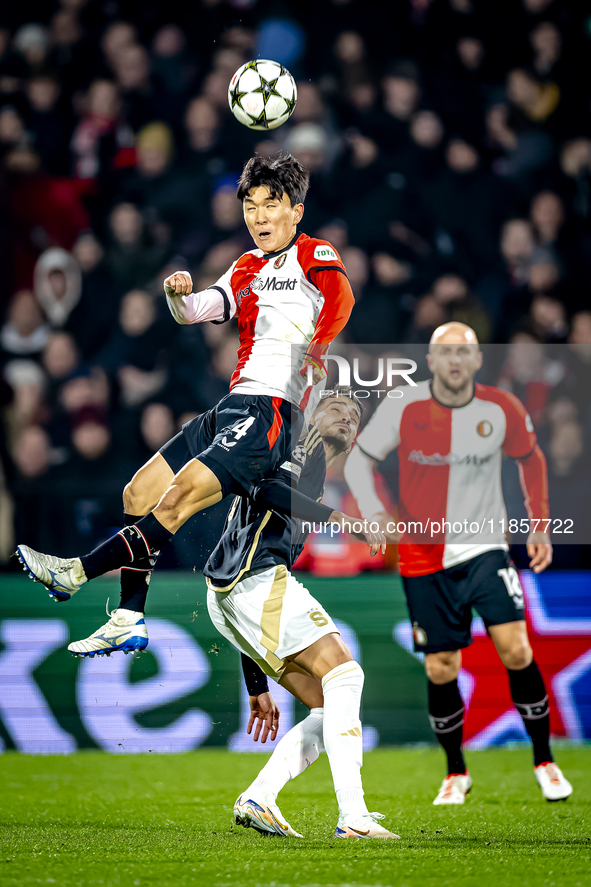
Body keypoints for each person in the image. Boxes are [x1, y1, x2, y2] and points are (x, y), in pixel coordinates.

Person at [16, 153, 356, 647]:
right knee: (138, 492)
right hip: (231, 407)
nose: (259, 216)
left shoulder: (313, 254)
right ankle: (129, 618)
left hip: (271, 412)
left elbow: (341, 300)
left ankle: (77, 572)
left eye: (271, 204)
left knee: (174, 503)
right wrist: (178, 298)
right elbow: (198, 309)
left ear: (296, 211)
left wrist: (317, 351)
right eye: (251, 206)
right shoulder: (243, 269)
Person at [344, 322, 573, 805]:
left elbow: (531, 460)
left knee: (515, 649)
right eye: (443, 352)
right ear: (430, 360)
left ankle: (545, 760)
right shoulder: (404, 406)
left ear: (476, 361)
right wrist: (374, 510)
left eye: (462, 353)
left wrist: (540, 523)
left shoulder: (501, 407)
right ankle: (456, 771)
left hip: (486, 548)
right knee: (442, 667)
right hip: (423, 557)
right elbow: (357, 462)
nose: (453, 361)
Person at [206, 388, 398, 840]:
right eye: (337, 408)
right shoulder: (301, 445)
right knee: (346, 677)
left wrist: (255, 683)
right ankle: (354, 817)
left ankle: (260, 796)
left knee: (330, 703)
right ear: (313, 413)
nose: (347, 418)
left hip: (230, 591)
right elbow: (269, 489)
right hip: (253, 579)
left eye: (354, 416)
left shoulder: (307, 461)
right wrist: (343, 518)